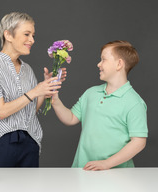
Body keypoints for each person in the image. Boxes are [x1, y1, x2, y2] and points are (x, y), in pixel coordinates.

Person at [0, 12, 64, 167]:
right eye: (27, 34)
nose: (32, 40)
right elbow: (1, 111)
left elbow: (30, 111)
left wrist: (45, 87)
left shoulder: (27, 69)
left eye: (33, 35)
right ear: (8, 35)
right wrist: (35, 91)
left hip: (29, 143)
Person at [52, 40, 148, 170]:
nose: (98, 64)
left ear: (119, 64)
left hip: (117, 176)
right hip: (83, 170)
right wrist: (54, 99)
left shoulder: (134, 102)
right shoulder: (91, 93)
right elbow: (70, 118)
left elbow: (139, 142)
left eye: (103, 60)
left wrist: (106, 163)